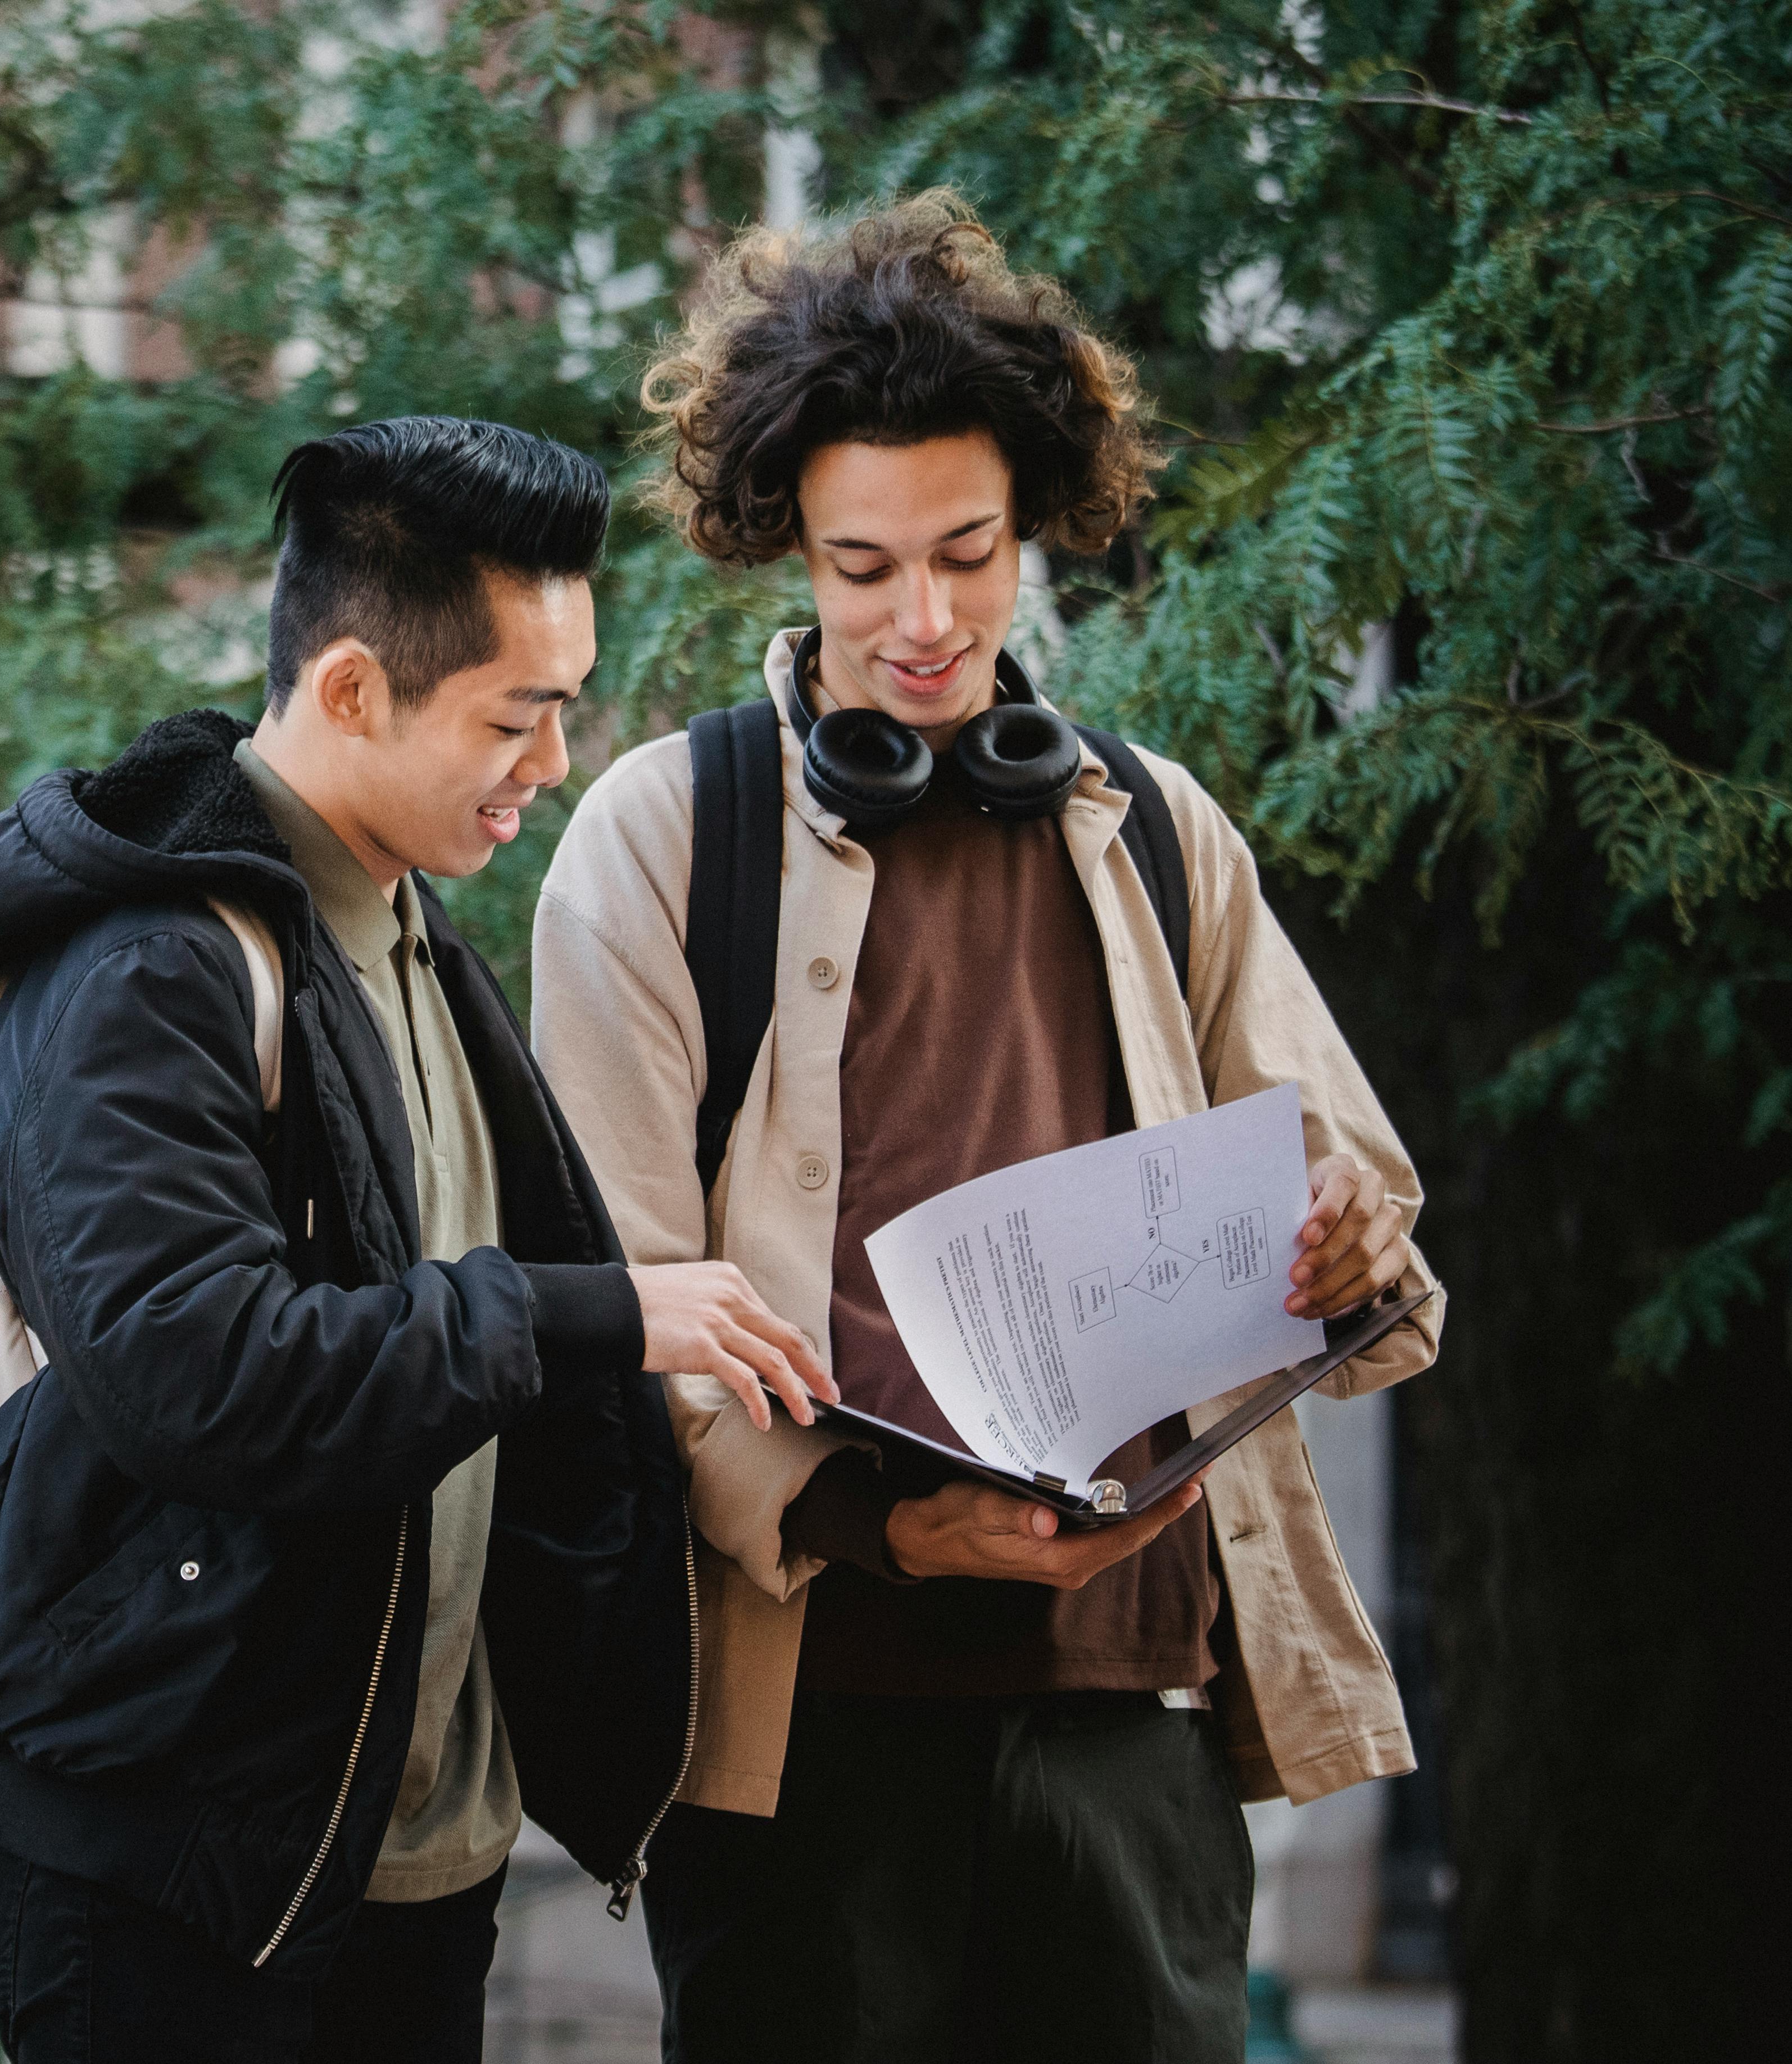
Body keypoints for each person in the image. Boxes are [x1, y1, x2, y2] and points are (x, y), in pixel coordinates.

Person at [530, 195, 1448, 2063]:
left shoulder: (1162, 829)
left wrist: (1349, 1236)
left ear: (1040, 520)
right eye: (865, 569)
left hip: (1137, 1707)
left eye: (970, 552)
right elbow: (609, 1313)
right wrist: (886, 1521)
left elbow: (1366, 1224)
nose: (925, 621)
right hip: (810, 1725)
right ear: (788, 541)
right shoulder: (656, 838)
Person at [0, 416, 832, 2064]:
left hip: (408, 1860)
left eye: (565, 707)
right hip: (177, 1860)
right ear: (347, 690)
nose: (553, 762)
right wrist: (594, 1315)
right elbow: (198, 1368)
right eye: (515, 717)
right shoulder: (149, 967)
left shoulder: (409, 938)